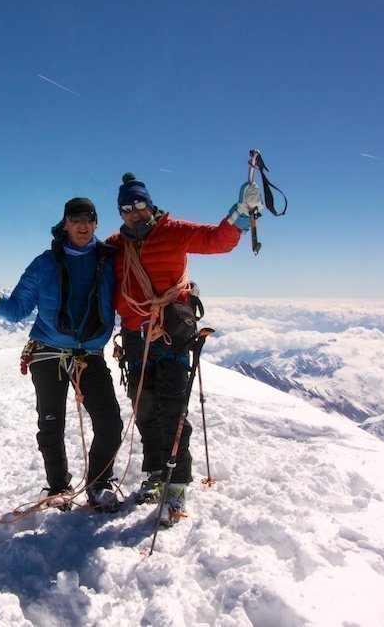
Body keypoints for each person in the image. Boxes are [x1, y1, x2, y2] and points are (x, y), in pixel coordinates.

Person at [106, 172, 261, 525]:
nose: (134, 212)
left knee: (173, 410)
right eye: (126, 208)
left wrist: (241, 212)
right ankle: (157, 473)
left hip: (172, 334)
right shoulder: (115, 245)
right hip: (134, 337)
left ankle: (177, 484)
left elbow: (216, 241)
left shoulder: (173, 232)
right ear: (120, 212)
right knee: (143, 407)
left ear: (149, 204)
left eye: (139, 205)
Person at [0, 197, 124, 512]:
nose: (82, 225)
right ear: (64, 224)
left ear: (96, 224)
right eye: (75, 218)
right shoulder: (44, 263)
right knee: (51, 423)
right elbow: (18, 309)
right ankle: (58, 488)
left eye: (89, 219)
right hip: (48, 351)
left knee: (110, 423)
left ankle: (98, 484)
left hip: (89, 353)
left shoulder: (111, 261)